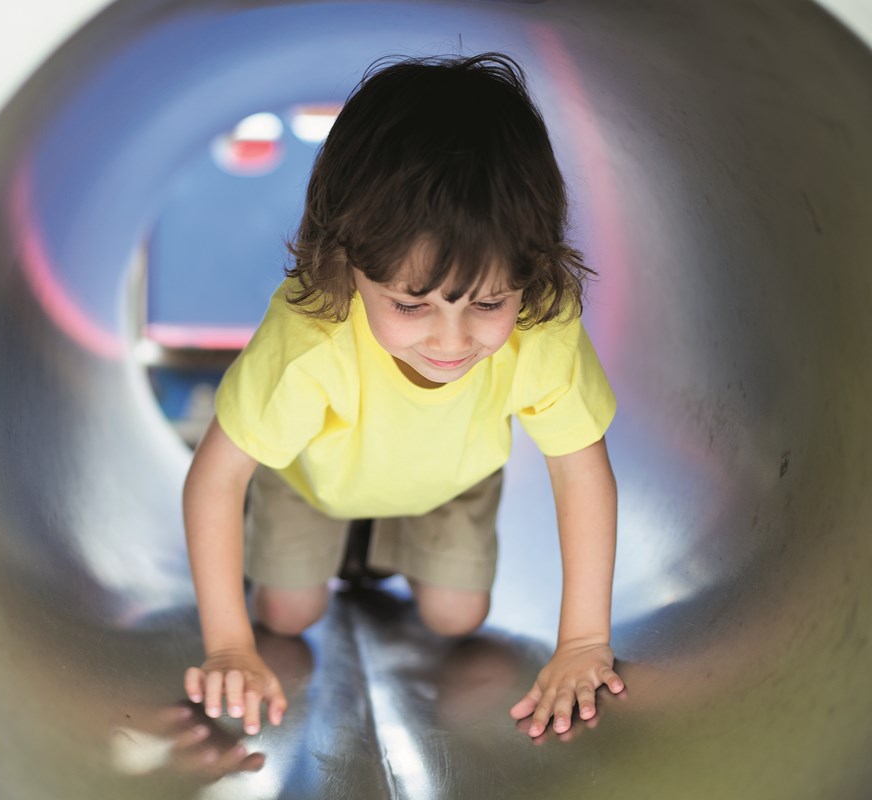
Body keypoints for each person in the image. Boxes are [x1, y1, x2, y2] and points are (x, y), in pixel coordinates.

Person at [181, 52, 625, 740]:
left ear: (530, 274)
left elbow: (580, 468)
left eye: (488, 301)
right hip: (313, 478)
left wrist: (581, 640)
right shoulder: (311, 336)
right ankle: (346, 545)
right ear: (345, 262)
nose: (453, 339)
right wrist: (228, 647)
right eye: (412, 305)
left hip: (450, 479)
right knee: (286, 616)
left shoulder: (539, 324)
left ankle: (373, 548)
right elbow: (215, 480)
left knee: (458, 616)